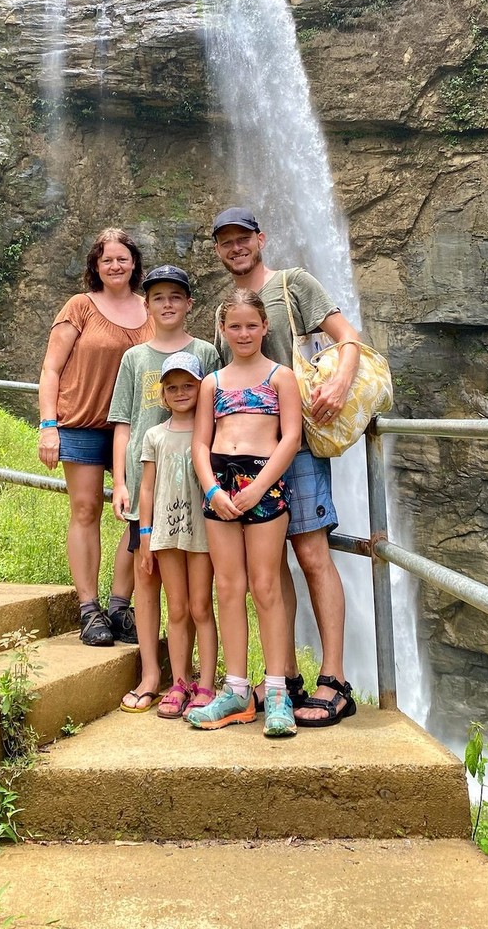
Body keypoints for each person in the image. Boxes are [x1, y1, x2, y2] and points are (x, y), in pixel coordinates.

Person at [209, 206, 359, 727]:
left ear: (260, 239)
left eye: (242, 238)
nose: (235, 248)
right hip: (241, 461)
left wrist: (339, 383)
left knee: (313, 553)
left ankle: (335, 680)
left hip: (294, 449)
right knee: (268, 571)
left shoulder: (293, 283)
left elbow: (348, 337)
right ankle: (285, 679)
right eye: (225, 242)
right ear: (218, 250)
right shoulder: (224, 310)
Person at [188, 289, 302, 738]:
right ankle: (236, 690)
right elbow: (200, 441)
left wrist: (258, 488)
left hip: (263, 482)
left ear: (265, 327)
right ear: (222, 330)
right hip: (219, 485)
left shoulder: (281, 377)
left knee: (266, 585)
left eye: (251, 325)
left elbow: (290, 438)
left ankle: (276, 691)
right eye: (234, 326)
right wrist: (212, 488)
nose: (243, 333)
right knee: (228, 586)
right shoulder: (212, 382)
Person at [108, 265, 219, 711]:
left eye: (176, 295)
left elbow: (220, 411)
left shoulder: (207, 354)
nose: (167, 303)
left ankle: (191, 677)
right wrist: (119, 482)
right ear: (147, 304)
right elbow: (122, 424)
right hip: (145, 487)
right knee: (148, 579)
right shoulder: (134, 358)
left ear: (189, 302)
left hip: (196, 493)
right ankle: (153, 673)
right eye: (158, 297)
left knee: (194, 596)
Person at [38, 227, 153, 647]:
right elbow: (51, 368)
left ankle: (120, 605)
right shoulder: (80, 307)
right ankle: (90, 610)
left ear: (135, 263)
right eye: (107, 259)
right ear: (96, 266)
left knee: (140, 513)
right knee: (86, 510)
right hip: (82, 422)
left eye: (122, 258)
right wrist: (48, 425)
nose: (116, 265)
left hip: (138, 428)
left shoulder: (152, 308)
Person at [137, 352, 218, 719]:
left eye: (189, 385)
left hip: (203, 531)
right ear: (163, 396)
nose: (181, 392)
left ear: (202, 388)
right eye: (173, 388)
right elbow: (147, 489)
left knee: (201, 606)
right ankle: (179, 681)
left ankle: (207, 684)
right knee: (178, 608)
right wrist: (144, 536)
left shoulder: (212, 431)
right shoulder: (154, 436)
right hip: (166, 533)